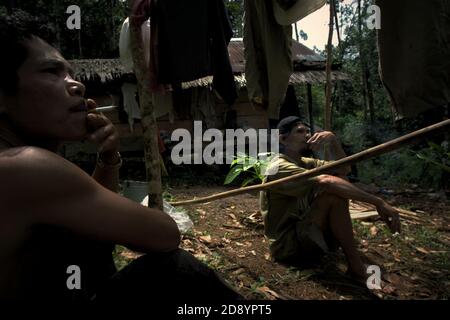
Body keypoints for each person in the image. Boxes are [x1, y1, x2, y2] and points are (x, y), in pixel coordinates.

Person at [0, 12, 242, 304]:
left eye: (72, 74)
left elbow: (92, 231)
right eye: (51, 72)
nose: (76, 85)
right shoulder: (25, 167)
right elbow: (165, 234)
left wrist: (109, 156)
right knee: (174, 271)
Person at [260, 116, 401, 284]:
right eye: (300, 131)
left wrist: (333, 142)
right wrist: (378, 202)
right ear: (283, 139)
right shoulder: (278, 166)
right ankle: (356, 268)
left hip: (305, 235)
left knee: (339, 185)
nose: (307, 135)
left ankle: (351, 263)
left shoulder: (305, 162)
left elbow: (344, 169)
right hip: (287, 246)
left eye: (308, 131)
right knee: (332, 195)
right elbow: (327, 181)